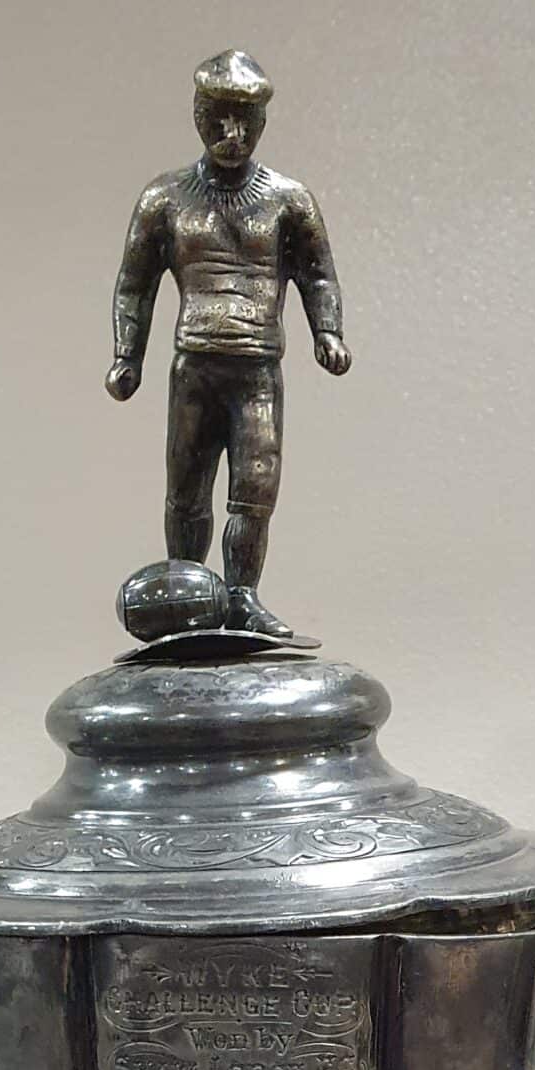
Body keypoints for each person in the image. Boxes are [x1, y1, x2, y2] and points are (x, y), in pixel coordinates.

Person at [108, 50, 351, 639]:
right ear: (197, 113)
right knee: (186, 490)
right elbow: (134, 284)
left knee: (255, 486)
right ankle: (185, 595)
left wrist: (329, 331)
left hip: (257, 370)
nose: (232, 134)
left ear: (264, 123)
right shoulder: (164, 199)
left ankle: (241, 595)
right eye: (217, 118)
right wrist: (126, 355)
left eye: (246, 121)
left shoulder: (290, 201)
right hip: (194, 367)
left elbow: (318, 274)